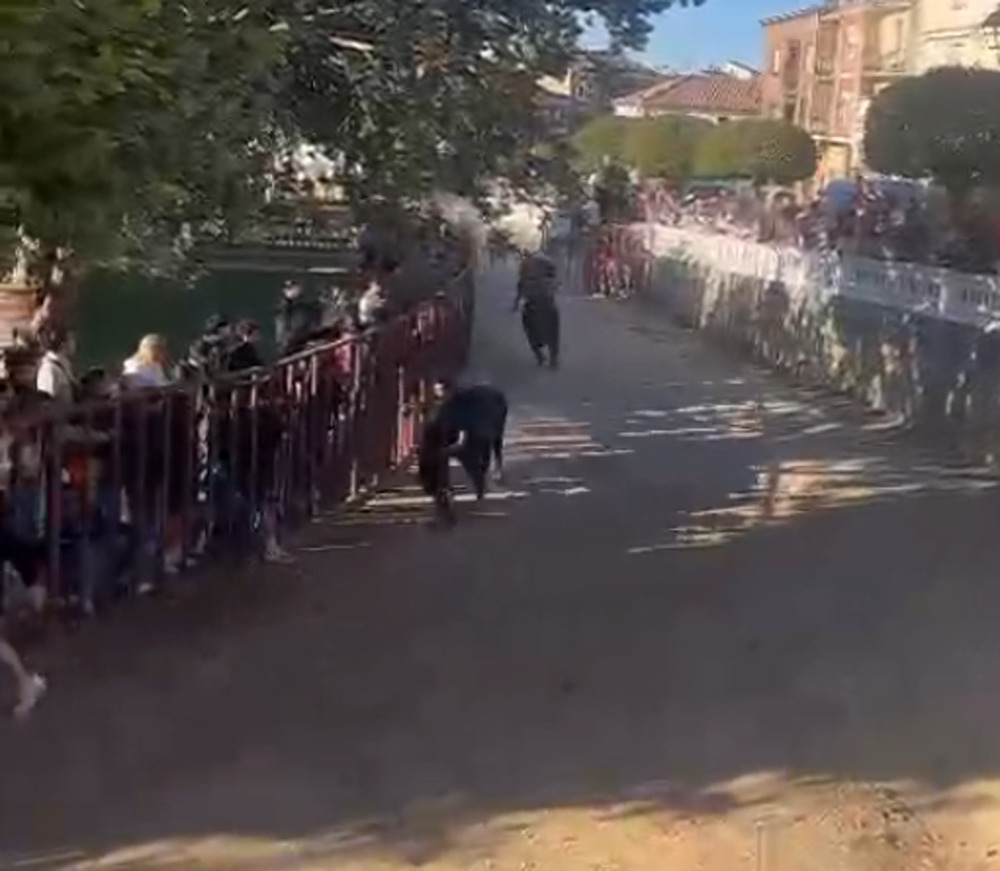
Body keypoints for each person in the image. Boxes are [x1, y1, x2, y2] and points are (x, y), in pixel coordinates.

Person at [417, 379, 508, 525]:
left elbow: (462, 443)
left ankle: (480, 484)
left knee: (478, 450)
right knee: (469, 454)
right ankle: (469, 489)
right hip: (467, 424)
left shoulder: (462, 413)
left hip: (479, 418)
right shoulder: (447, 415)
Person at [513, 250, 560, 368]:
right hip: (547, 304)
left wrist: (516, 303)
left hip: (533, 304)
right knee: (552, 333)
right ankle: (552, 359)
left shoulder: (525, 267)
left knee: (531, 331)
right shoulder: (548, 267)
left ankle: (540, 356)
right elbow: (556, 282)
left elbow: (520, 286)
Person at [275, 279, 322, 357]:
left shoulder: (303, 305)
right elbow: (284, 329)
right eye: (289, 289)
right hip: (289, 345)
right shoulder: (284, 307)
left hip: (301, 342)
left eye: (294, 288)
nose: (294, 291)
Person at [35, 325, 76, 402]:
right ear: (63, 344)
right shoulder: (49, 370)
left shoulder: (63, 365)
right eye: (71, 339)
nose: (74, 343)